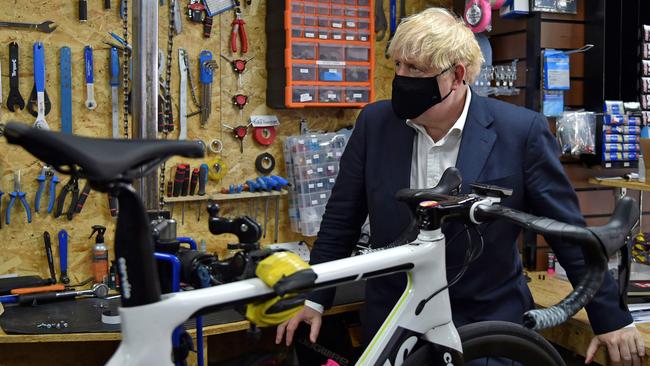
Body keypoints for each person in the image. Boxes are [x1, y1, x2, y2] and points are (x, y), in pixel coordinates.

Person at [276, 7, 645, 365]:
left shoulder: (520, 132)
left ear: (457, 75)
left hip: (486, 325)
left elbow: (568, 234)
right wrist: (314, 299)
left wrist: (611, 318)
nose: (401, 77)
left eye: (416, 69)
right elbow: (341, 218)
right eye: (399, 65)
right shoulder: (375, 124)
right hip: (396, 324)